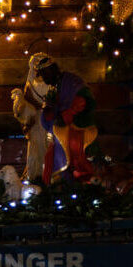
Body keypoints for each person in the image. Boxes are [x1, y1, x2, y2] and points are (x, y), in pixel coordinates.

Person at [26, 54, 98, 182]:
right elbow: (55, 109)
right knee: (53, 151)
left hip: (78, 127)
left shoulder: (71, 82)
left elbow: (84, 100)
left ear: (51, 71)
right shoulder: (55, 87)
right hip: (61, 130)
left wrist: (66, 116)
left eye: (44, 74)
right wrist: (49, 111)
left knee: (73, 147)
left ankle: (77, 177)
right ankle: (59, 180)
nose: (43, 78)